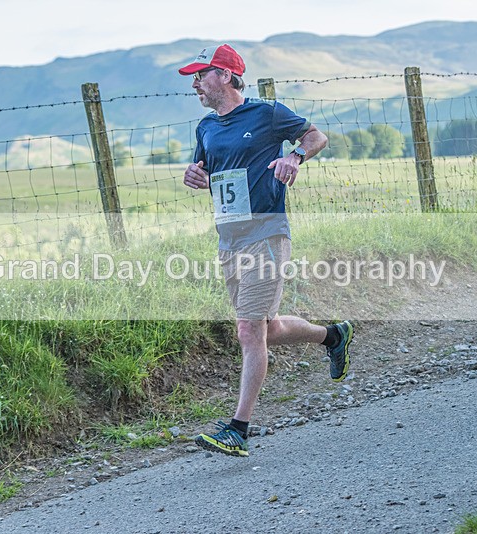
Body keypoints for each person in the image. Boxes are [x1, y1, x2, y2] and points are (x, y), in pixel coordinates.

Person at [179, 44, 354, 457]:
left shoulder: (267, 113)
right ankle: (332, 336)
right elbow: (207, 171)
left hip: (267, 232)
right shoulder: (205, 127)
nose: (195, 84)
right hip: (229, 238)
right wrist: (195, 174)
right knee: (267, 328)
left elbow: (316, 136)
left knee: (248, 330)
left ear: (224, 75)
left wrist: (294, 155)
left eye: (201, 75)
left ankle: (238, 428)